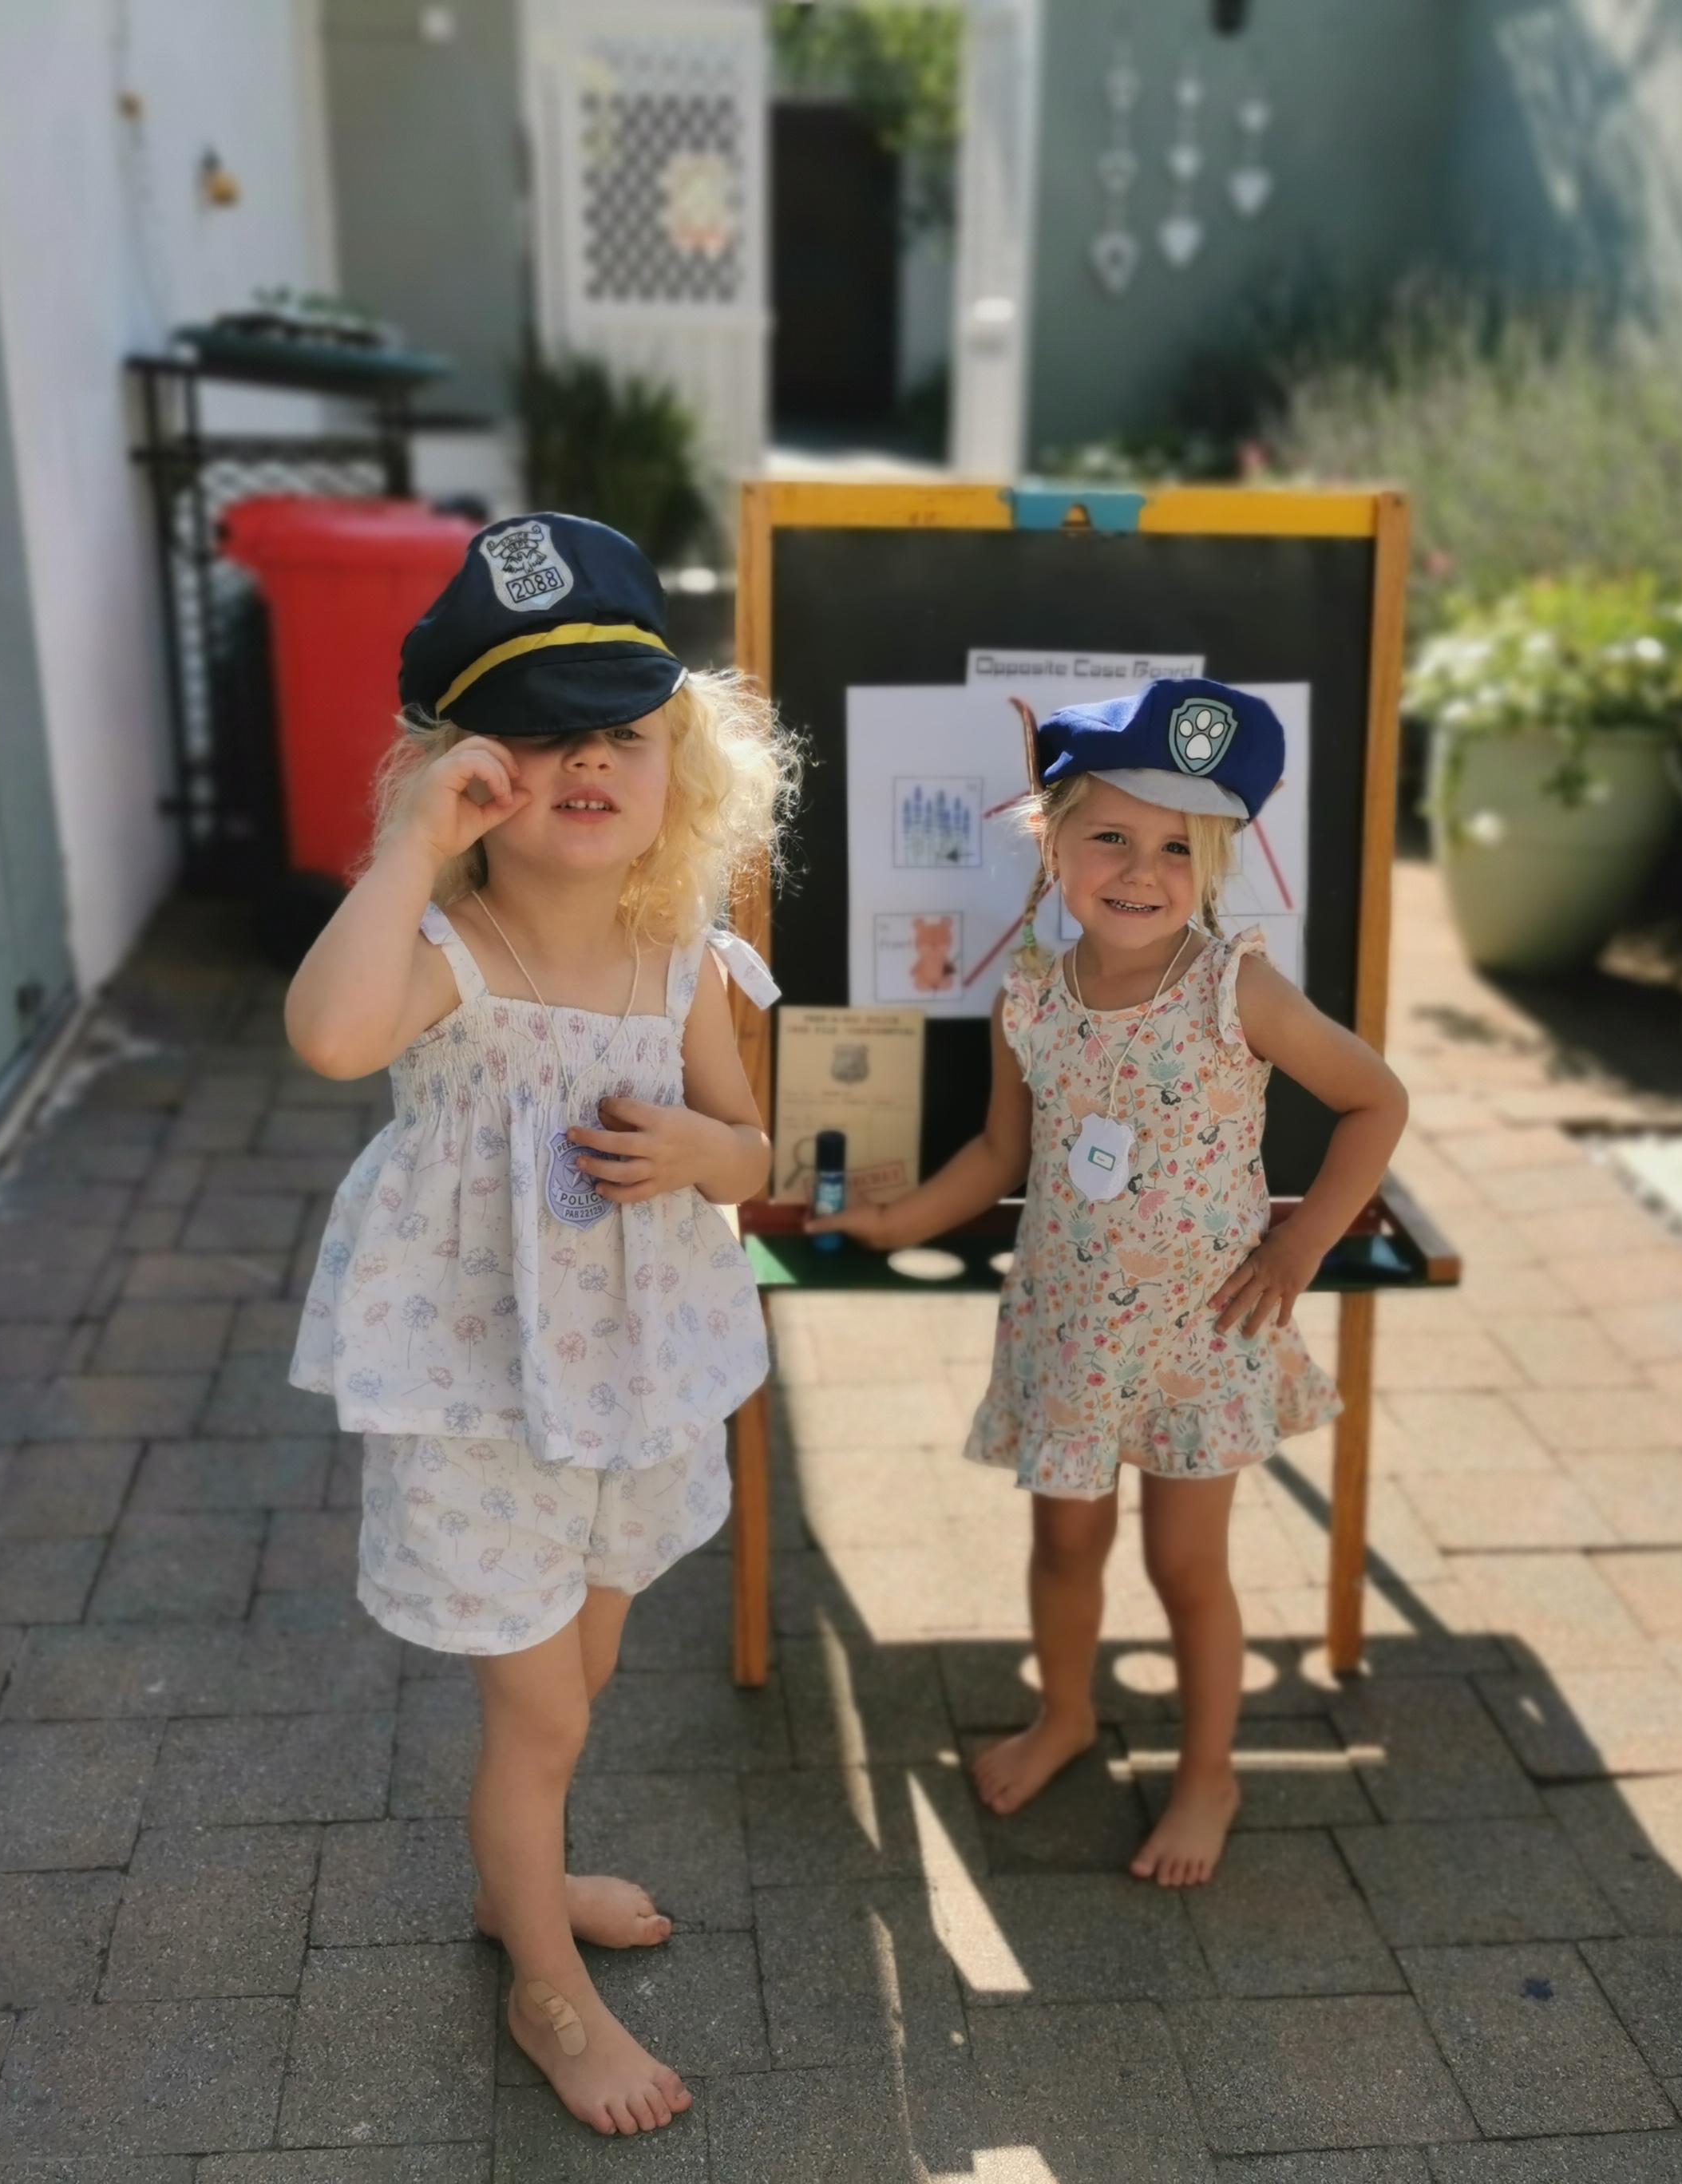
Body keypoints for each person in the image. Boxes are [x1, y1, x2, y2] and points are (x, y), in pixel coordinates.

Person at [284, 514, 794, 2133]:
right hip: (482, 1390)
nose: (585, 760)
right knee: (544, 1704)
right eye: (534, 733)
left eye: (621, 733)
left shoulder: (677, 960)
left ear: (680, 767)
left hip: (631, 1385)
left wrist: (705, 1156)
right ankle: (545, 1995)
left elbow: (755, 1144)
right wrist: (403, 858)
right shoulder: (446, 951)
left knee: (588, 1657)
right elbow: (330, 1038)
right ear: (461, 769)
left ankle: (531, 1876)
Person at [811, 679, 1407, 1887]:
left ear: (1218, 859)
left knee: (1187, 1569)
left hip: (1201, 1337)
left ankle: (1208, 1774)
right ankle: (1067, 1714)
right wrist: (897, 1224)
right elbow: (998, 1156)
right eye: (1111, 837)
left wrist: (1300, 1250)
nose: (1141, 870)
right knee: (1066, 1549)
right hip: (1073, 1331)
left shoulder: (1235, 986)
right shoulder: (1028, 991)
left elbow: (1375, 1101)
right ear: (1056, 840)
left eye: (1176, 847)